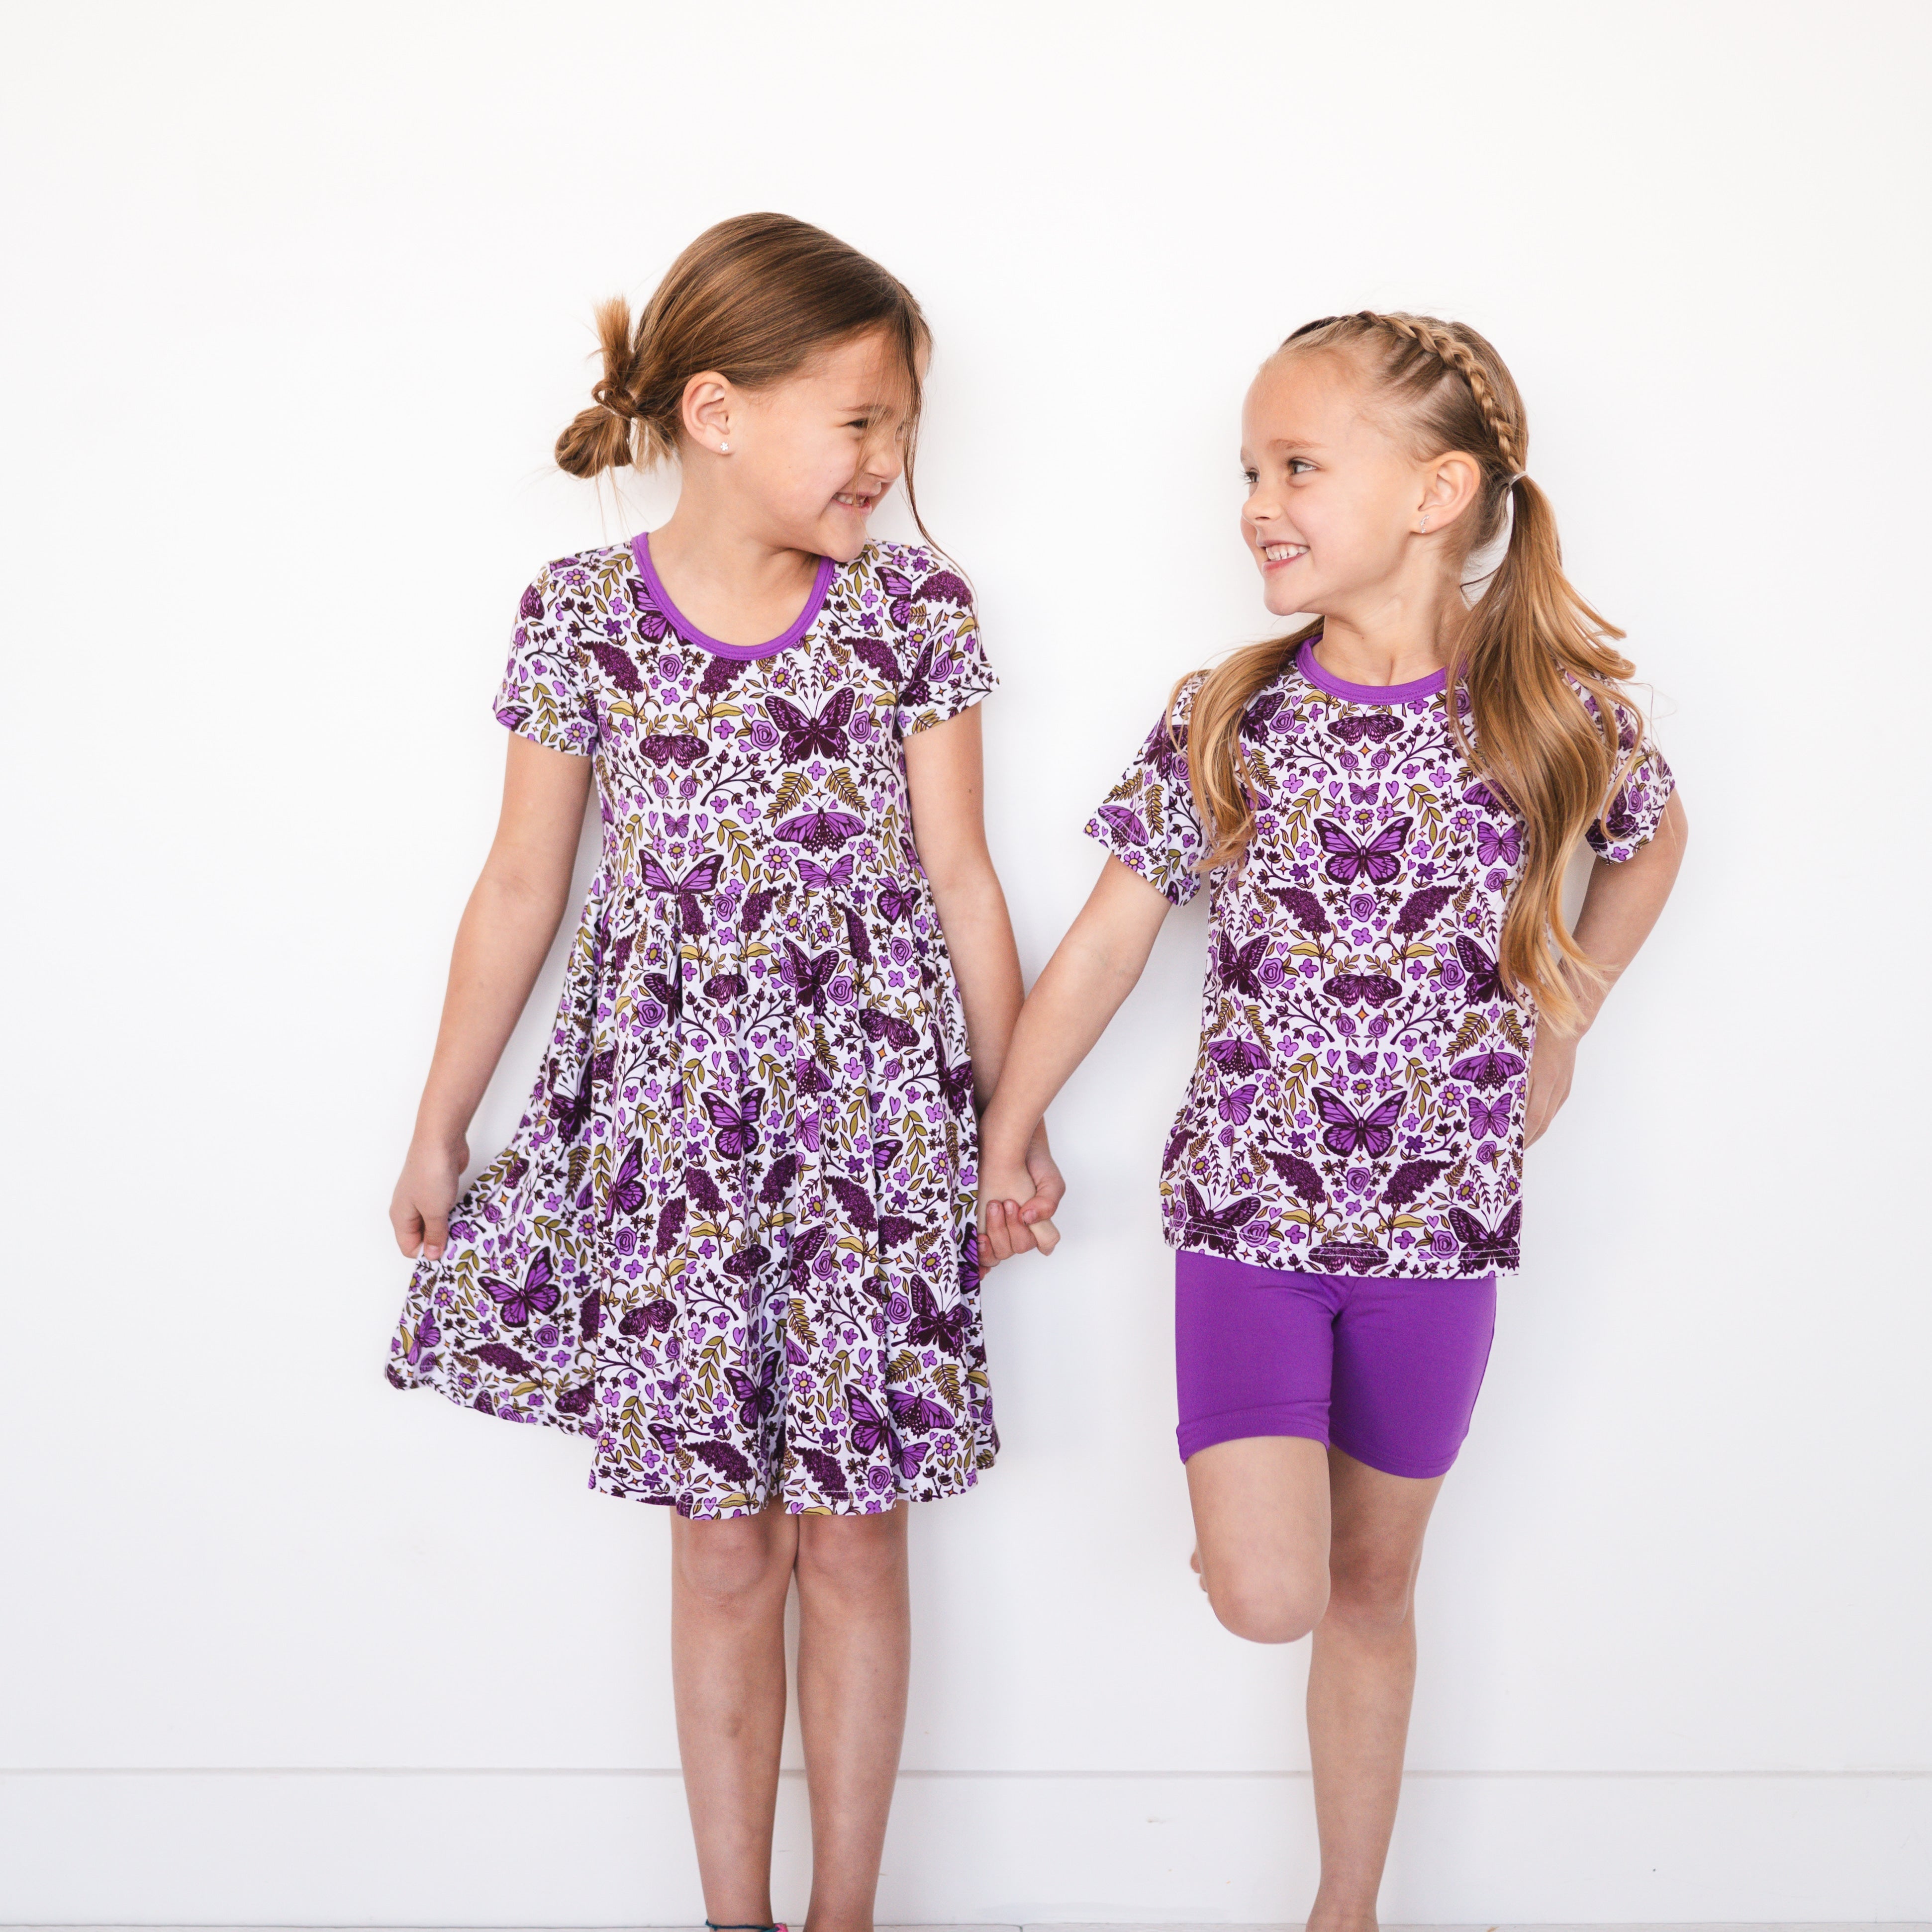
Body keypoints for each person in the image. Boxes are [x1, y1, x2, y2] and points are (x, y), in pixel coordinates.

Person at [385, 212, 1060, 1932]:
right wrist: (441, 1116)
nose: (887, 462)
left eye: (901, 426)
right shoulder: (583, 615)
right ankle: (732, 1918)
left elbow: (963, 878)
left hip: (871, 1139)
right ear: (715, 409)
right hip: (671, 1148)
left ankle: (847, 1915)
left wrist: (1012, 1120)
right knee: (719, 1543)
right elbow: (522, 885)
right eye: (859, 422)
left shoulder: (913, 608)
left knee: (852, 1534)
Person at [976, 311, 1686, 1930]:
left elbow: (1652, 841)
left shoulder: (1549, 708)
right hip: (1249, 1221)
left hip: (1441, 1232)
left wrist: (1560, 1018)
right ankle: (1240, 1540)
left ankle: (1343, 1905)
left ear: (1436, 494)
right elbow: (1102, 941)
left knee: (1375, 1591)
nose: (1254, 501)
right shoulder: (1227, 713)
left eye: (1296, 464)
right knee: (1272, 1595)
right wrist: (1011, 1123)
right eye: (1247, 469)